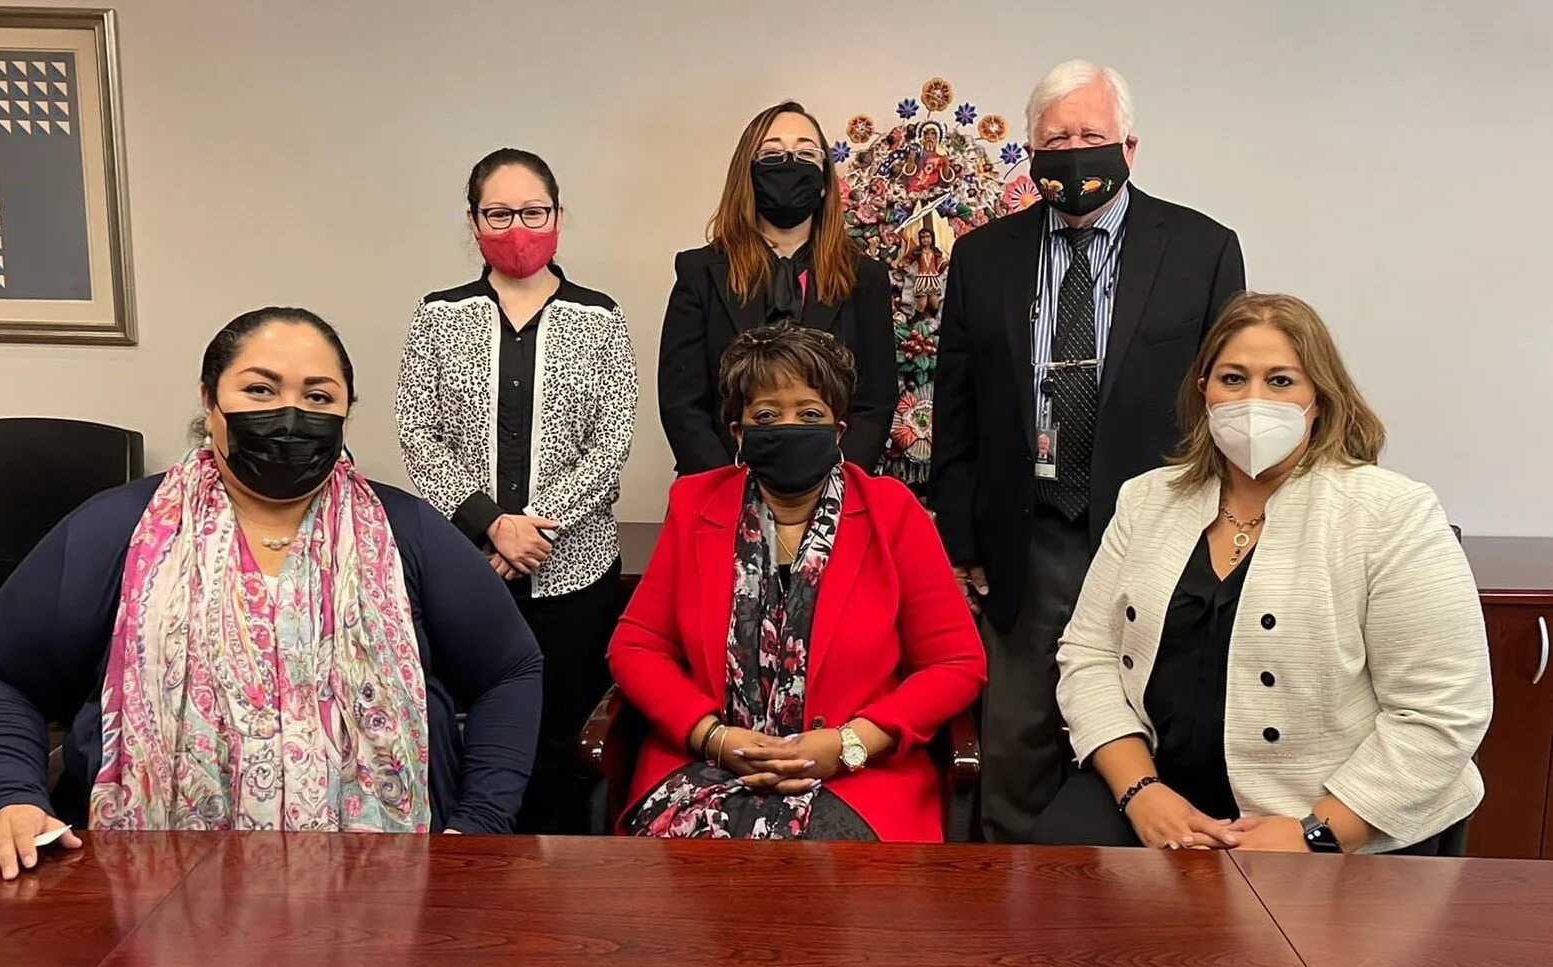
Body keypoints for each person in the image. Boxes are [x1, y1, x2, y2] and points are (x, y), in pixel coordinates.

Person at [0, 307, 544, 881]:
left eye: (318, 397)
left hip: (387, 891)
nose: (290, 415)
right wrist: (9, 798)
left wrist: (481, 824)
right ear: (210, 402)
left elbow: (509, 669)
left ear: (344, 413)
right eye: (260, 390)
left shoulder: (408, 531)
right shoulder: (115, 530)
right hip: (144, 889)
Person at [1037, 292, 1491, 855]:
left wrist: (1316, 833)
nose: (1253, 401)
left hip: (1334, 813)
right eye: (1233, 379)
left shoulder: (1391, 513)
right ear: (1203, 391)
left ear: (1319, 399)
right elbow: (1089, 655)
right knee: (1054, 892)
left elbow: (1441, 714)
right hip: (1160, 786)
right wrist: (1141, 791)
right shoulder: (1147, 500)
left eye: (1280, 382)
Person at [929, 59, 1247, 842]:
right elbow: (957, 407)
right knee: (1018, 740)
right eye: (1057, 137)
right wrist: (961, 535)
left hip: (1162, 535)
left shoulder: (1202, 249)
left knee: (1154, 730)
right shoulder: (982, 256)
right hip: (1026, 537)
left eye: (1092, 135)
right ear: (1032, 154)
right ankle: (1010, 915)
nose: (1075, 150)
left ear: (1129, 147)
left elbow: (1233, 401)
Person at [609, 323, 986, 842]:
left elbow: (956, 664)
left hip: (857, 777)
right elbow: (637, 646)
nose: (788, 427)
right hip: (706, 769)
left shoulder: (892, 513)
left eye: (809, 414)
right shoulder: (695, 505)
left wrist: (849, 744)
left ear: (838, 428)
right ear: (738, 432)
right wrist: (713, 737)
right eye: (767, 416)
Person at [395, 148, 637, 836]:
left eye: (533, 212)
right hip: (464, 570)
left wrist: (534, 529)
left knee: (558, 744)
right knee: (462, 735)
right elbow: (419, 430)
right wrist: (490, 525)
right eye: (498, 214)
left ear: (559, 215)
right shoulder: (441, 315)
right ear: (472, 221)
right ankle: (468, 873)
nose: (517, 228)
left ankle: (553, 908)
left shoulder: (599, 317)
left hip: (573, 574)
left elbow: (611, 441)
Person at [658, 101, 896, 477]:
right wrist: (729, 486)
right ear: (747, 173)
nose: (790, 162)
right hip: (721, 488)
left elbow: (875, 403)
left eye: (805, 153)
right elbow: (682, 405)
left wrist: (832, 485)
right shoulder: (699, 272)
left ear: (823, 180)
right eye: (772, 153)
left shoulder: (865, 277)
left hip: (835, 495)